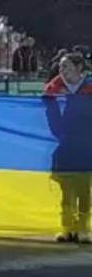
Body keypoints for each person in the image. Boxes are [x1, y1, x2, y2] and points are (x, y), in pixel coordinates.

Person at [43, 53, 92, 243]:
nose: (62, 71)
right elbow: (50, 113)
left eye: (67, 67)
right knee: (66, 188)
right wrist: (59, 133)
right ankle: (67, 228)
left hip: (87, 145)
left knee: (83, 189)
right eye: (61, 67)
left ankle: (83, 229)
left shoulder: (89, 87)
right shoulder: (54, 90)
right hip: (65, 145)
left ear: (79, 68)